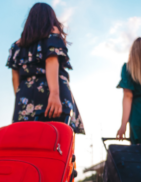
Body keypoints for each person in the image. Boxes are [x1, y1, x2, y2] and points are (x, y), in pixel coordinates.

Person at [6, 2, 85, 134]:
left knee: (26, 143)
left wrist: (21, 100)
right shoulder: (52, 35)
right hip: (53, 92)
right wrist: (54, 94)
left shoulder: (16, 46)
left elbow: (15, 76)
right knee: (58, 140)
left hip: (25, 95)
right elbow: (51, 61)